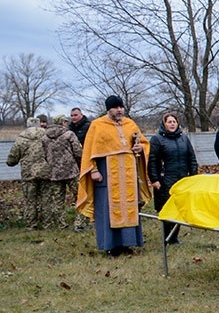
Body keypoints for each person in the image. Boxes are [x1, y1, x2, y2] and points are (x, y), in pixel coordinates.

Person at [75, 95, 151, 257]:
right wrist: (93, 170)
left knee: (129, 207)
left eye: (121, 107)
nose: (119, 110)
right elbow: (89, 151)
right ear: (108, 109)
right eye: (116, 107)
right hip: (107, 174)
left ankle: (128, 243)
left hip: (128, 176)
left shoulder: (130, 124)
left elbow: (143, 143)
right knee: (107, 209)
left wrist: (140, 149)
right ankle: (110, 245)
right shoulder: (97, 125)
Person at [148, 112, 198, 244]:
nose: (172, 124)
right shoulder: (157, 139)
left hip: (182, 178)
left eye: (174, 122)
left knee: (179, 207)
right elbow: (152, 161)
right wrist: (154, 179)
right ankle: (167, 237)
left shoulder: (184, 138)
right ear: (164, 124)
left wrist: (193, 177)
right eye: (169, 122)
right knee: (166, 208)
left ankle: (174, 236)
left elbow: (191, 158)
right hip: (165, 180)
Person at [6, 117, 53, 229]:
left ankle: (31, 225)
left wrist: (10, 162)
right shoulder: (47, 137)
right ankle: (48, 224)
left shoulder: (21, 139)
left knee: (30, 200)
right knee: (46, 199)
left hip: (28, 174)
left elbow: (12, 159)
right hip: (45, 172)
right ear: (39, 124)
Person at [42, 114, 83, 229]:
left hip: (54, 173)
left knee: (58, 200)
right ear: (63, 123)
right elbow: (78, 152)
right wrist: (80, 165)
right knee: (79, 197)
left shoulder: (45, 137)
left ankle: (61, 224)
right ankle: (79, 223)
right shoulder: (69, 134)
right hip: (71, 171)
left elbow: (44, 154)